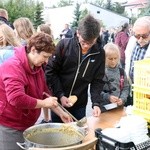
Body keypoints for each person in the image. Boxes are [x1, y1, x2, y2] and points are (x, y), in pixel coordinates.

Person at [0, 32, 72, 150]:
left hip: (26, 123)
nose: (46, 61)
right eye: (45, 56)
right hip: (10, 125)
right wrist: (44, 104)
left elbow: (44, 93)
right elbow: (16, 98)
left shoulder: (37, 66)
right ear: (33, 50)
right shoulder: (13, 67)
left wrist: (61, 112)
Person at [45, 14, 105, 123]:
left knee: (78, 134)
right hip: (58, 102)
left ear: (96, 37)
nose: (86, 46)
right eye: (83, 42)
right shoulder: (64, 45)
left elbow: (98, 80)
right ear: (78, 33)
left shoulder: (100, 53)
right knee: (57, 134)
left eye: (90, 43)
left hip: (79, 104)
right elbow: (51, 72)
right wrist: (60, 95)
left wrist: (96, 103)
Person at [125, 16, 150, 105]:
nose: (140, 39)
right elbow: (128, 62)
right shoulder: (132, 41)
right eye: (137, 36)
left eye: (144, 36)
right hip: (132, 88)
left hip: (147, 93)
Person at [100, 43, 129, 112]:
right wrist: (108, 97)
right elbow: (96, 90)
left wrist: (122, 99)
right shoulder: (100, 72)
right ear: (104, 58)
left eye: (115, 58)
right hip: (104, 108)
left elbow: (126, 87)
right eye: (110, 59)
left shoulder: (121, 71)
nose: (113, 61)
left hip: (119, 107)